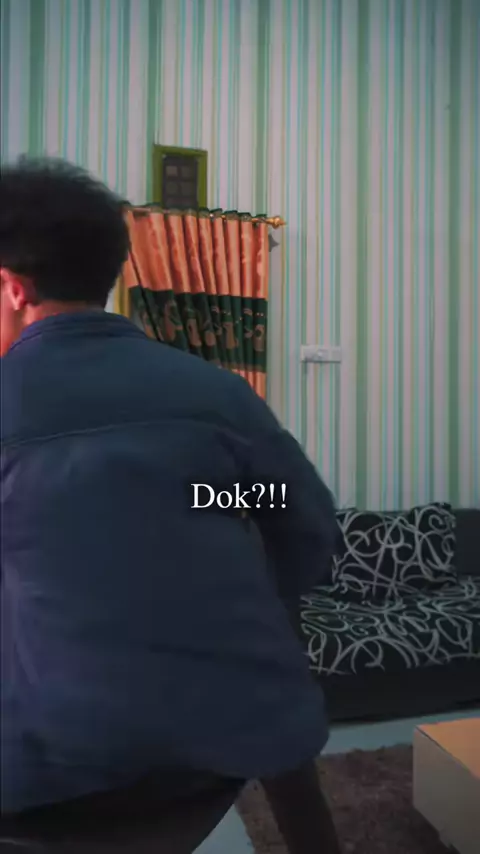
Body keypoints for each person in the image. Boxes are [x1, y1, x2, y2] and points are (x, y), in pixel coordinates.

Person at [0, 158, 340, 853]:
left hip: (56, 772)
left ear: (12, 288)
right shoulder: (216, 393)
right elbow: (303, 526)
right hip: (238, 735)